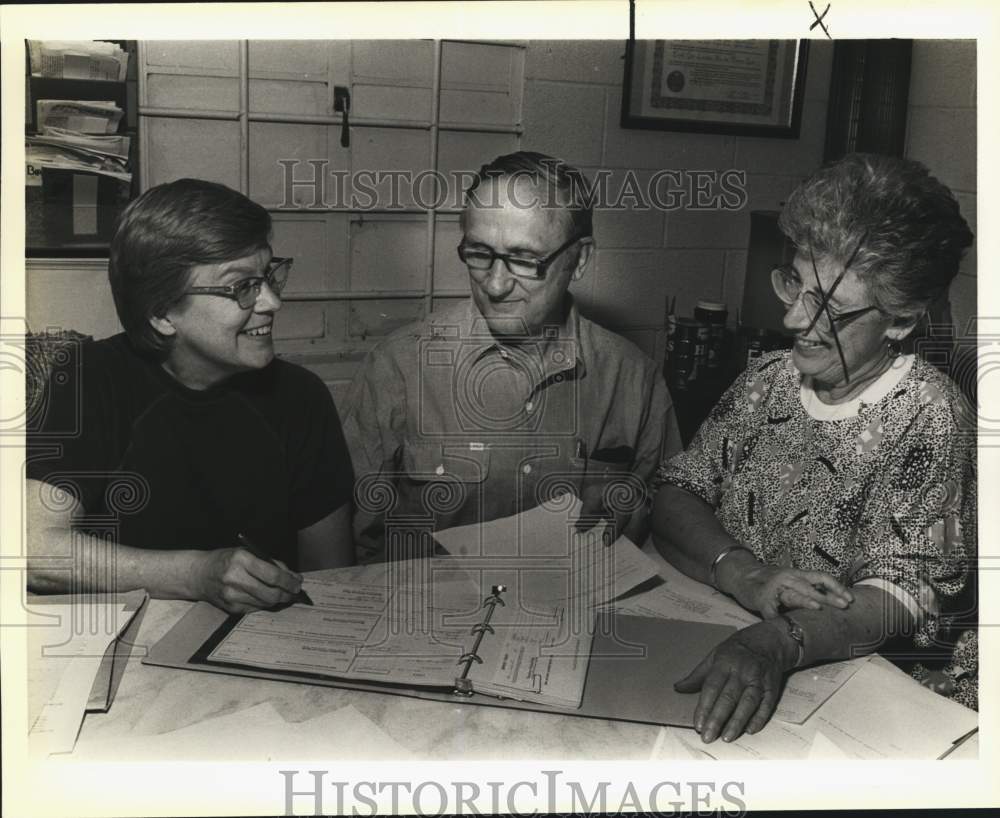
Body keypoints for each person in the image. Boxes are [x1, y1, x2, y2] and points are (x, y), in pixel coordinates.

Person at [652, 153, 977, 744]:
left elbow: (899, 598)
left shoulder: (931, 414)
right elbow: (677, 492)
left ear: (900, 320)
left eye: (827, 304)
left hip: (880, 699)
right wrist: (745, 573)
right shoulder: (769, 379)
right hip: (746, 638)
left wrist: (777, 642)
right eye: (795, 283)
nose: (793, 317)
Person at [26, 179, 355, 614]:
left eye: (270, 275)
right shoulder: (89, 375)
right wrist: (196, 575)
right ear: (162, 312)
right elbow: (33, 550)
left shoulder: (303, 396)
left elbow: (331, 580)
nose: (272, 302)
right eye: (242, 287)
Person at [342, 151, 681, 562]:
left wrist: (635, 508)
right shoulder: (397, 367)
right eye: (479, 253)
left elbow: (669, 515)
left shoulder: (633, 378)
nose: (497, 285)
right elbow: (350, 547)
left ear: (580, 259)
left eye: (523, 259)